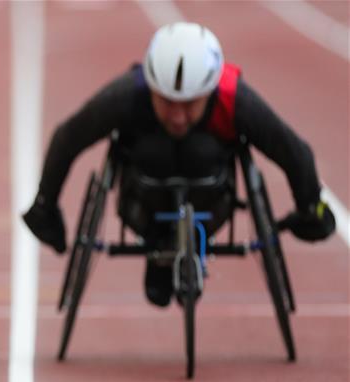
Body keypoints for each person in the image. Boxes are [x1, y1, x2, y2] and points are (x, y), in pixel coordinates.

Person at [23, 22, 336, 307]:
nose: (177, 116)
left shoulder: (233, 99)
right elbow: (68, 138)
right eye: (166, 102)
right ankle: (158, 250)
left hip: (212, 202)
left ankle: (183, 247)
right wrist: (45, 207)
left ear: (210, 90)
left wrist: (311, 208)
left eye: (189, 105)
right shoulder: (130, 95)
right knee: (153, 149)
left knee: (200, 148)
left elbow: (294, 151)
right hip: (141, 204)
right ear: (152, 87)